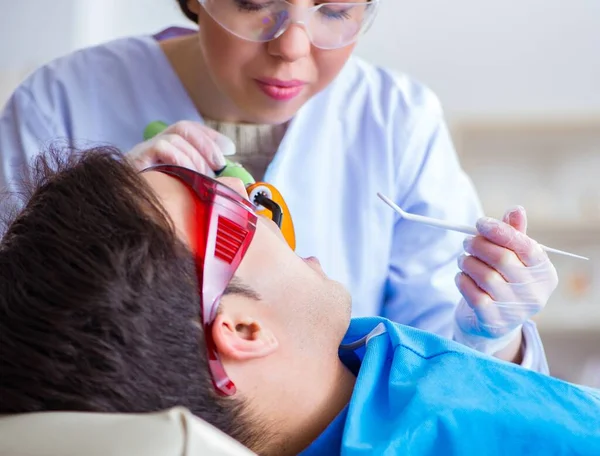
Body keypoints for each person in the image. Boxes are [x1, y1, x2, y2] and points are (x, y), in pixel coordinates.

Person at [0, 0, 558, 367]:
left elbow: (443, 368)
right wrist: (94, 214)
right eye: (253, 2)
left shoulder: (395, 117)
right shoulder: (63, 101)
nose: (292, 47)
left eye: (334, 9)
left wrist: (494, 336)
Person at [1, 148, 598, 456]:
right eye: (217, 202)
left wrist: (494, 343)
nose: (243, 184)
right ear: (243, 329)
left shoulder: (347, 368)